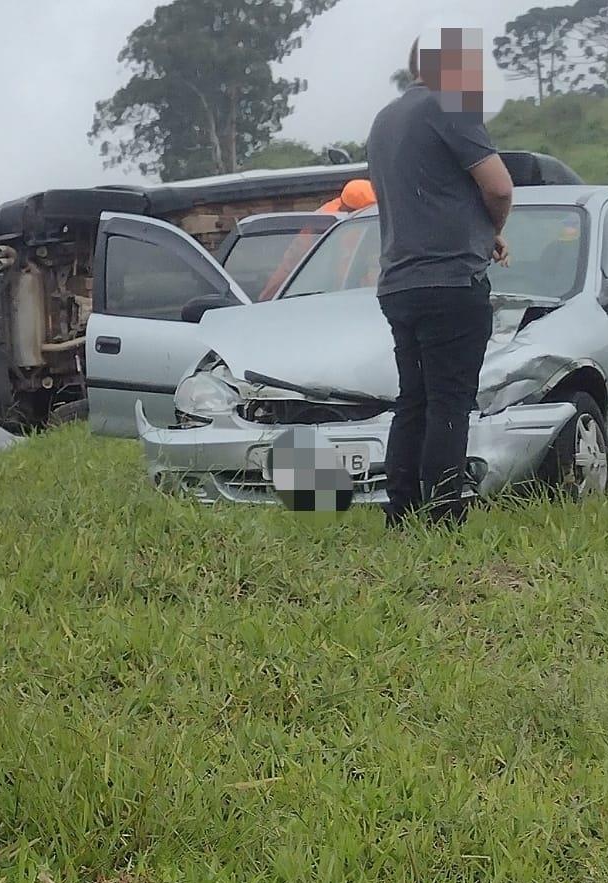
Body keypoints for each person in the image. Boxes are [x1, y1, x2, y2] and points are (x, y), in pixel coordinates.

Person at [367, 27, 513, 527]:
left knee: (415, 398)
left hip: (399, 283)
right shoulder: (451, 107)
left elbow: (426, 196)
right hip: (451, 282)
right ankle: (446, 511)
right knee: (451, 398)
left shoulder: (385, 119)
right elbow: (499, 187)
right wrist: (492, 227)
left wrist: (477, 232)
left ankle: (401, 508)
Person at [258, 179, 377, 301]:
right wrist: (268, 298)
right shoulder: (322, 222)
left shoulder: (328, 219)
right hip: (326, 296)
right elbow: (291, 263)